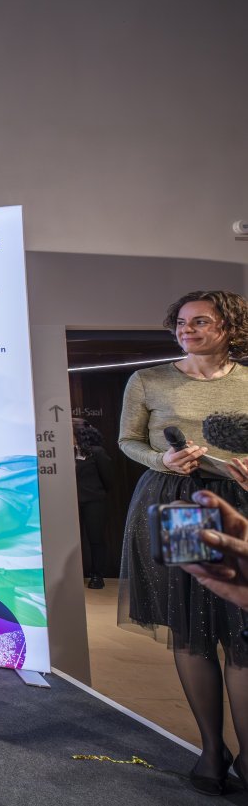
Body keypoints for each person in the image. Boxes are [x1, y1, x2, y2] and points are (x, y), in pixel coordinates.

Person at [117, 289, 248, 795]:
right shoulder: (148, 379)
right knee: (194, 629)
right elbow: (129, 440)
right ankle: (212, 750)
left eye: (200, 322)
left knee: (242, 631)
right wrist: (163, 460)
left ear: (229, 327)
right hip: (179, 503)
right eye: (181, 322)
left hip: (240, 506)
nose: (186, 330)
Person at [73, 418, 114, 590]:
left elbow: (108, 479)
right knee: (73, 540)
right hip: (70, 504)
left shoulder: (96, 452)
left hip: (94, 502)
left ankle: (97, 575)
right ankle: (72, 575)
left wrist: (96, 493)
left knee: (95, 539)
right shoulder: (62, 454)